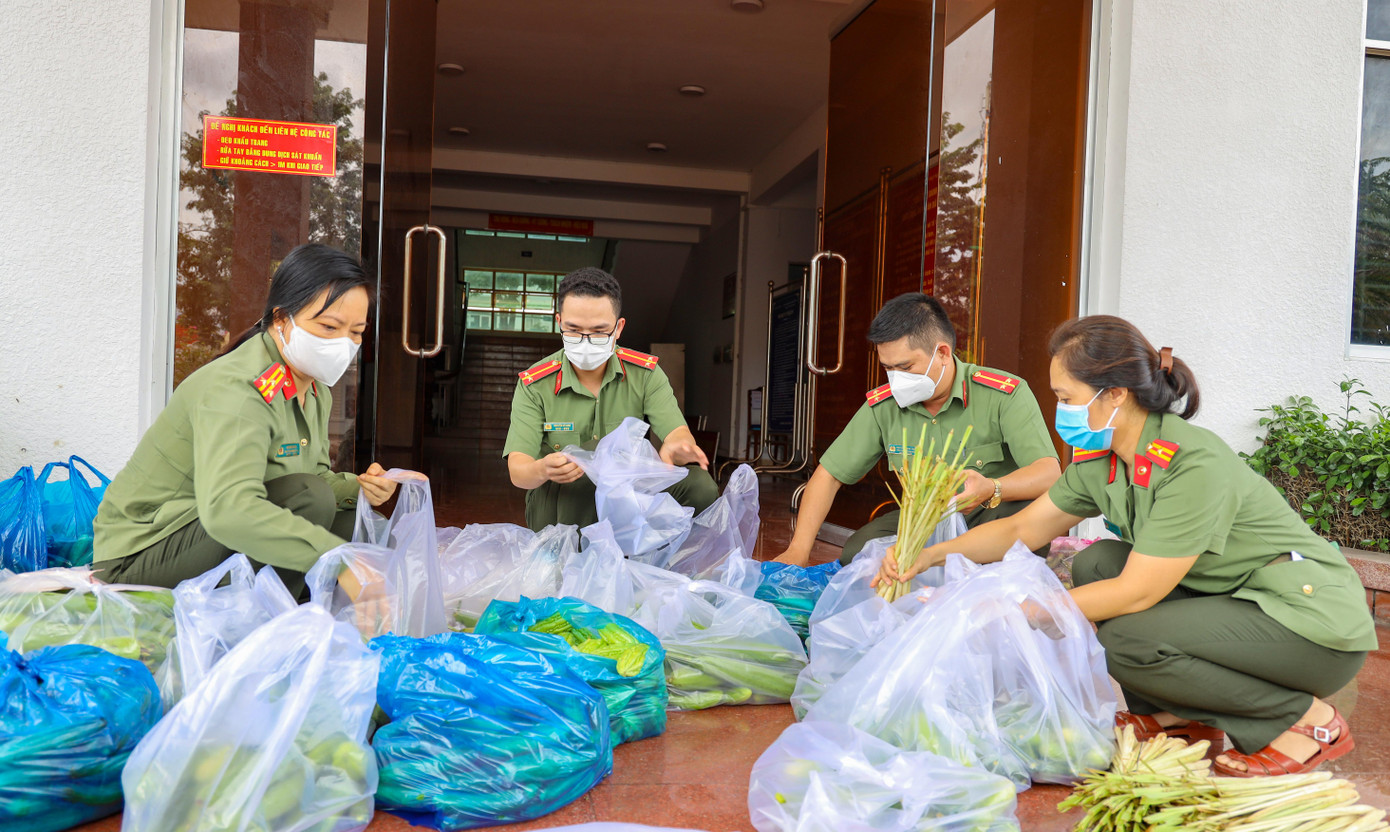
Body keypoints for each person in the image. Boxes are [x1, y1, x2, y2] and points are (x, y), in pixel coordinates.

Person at [877, 314, 1375, 777]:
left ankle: (1304, 720)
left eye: (1067, 397)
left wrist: (1019, 609)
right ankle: (1175, 717)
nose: (1061, 410)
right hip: (1235, 601)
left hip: (1307, 626)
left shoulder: (1191, 463)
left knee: (1126, 639)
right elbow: (1020, 529)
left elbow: (1138, 592)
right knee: (1098, 562)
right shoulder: (1104, 458)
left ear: (1115, 394)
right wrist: (927, 554)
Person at [93, 244, 401, 600]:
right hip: (140, 555)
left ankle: (295, 604)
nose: (343, 344)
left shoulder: (314, 390)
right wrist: (338, 563)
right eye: (329, 326)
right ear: (282, 319)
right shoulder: (237, 389)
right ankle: (269, 615)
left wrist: (360, 488)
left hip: (201, 534)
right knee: (312, 503)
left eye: (356, 332)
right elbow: (229, 508)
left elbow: (312, 476)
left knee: (358, 527)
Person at [774, 292, 1061, 566]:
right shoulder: (885, 406)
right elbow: (828, 476)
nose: (896, 379)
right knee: (858, 554)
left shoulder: (1002, 394)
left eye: (905, 367)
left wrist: (992, 488)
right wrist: (798, 550)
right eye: (888, 368)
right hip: (924, 520)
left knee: (1022, 541)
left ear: (943, 353)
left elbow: (1048, 473)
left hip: (991, 514)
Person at [504, 267, 719, 531]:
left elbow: (677, 434)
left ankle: (659, 551)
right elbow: (518, 470)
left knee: (700, 486)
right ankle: (574, 552)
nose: (585, 341)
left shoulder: (645, 374)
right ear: (559, 322)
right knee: (591, 461)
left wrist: (678, 446)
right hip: (559, 502)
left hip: (625, 495)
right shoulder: (535, 384)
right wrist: (543, 469)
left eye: (599, 331)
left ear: (618, 328)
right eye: (573, 330)